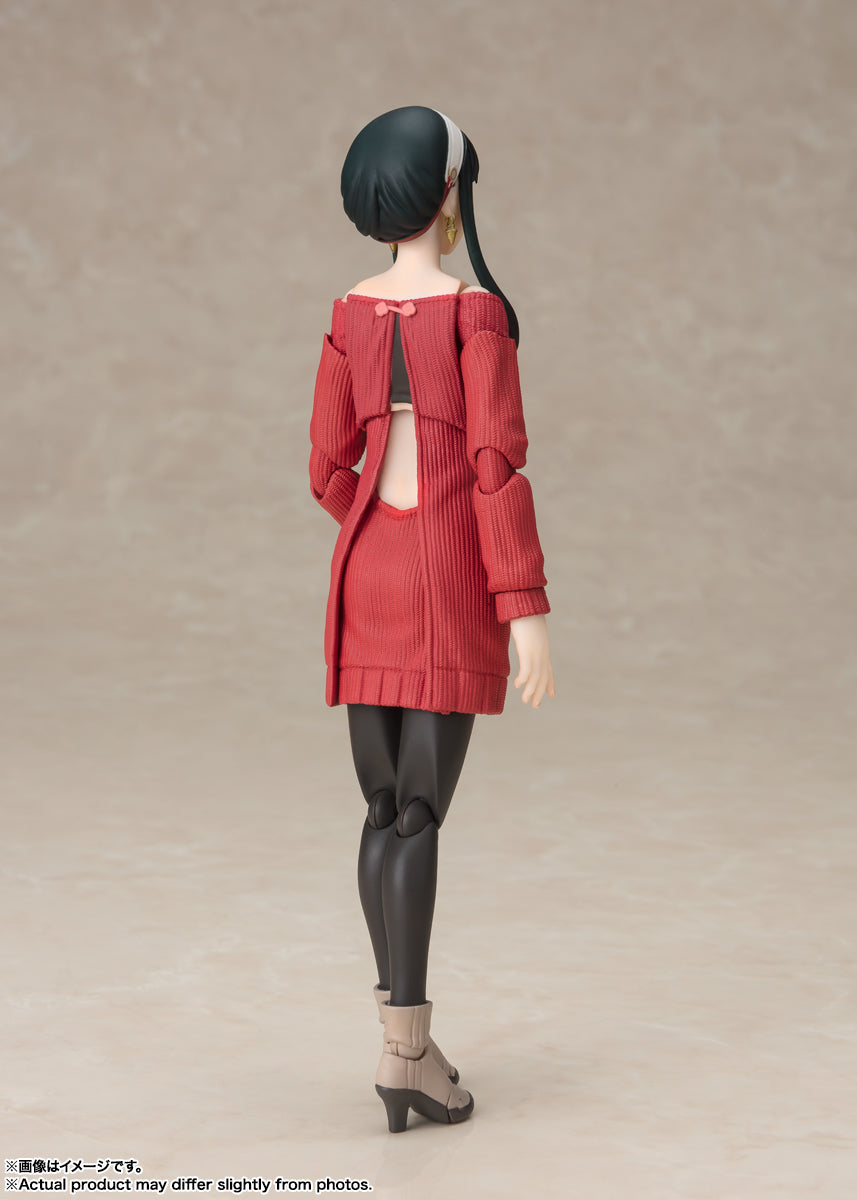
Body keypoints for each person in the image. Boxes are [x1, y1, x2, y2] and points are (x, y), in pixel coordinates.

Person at [309, 106, 555, 1133]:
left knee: (379, 811)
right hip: (446, 576)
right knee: (417, 813)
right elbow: (495, 470)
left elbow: (326, 468)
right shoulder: (475, 315)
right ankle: (406, 1054)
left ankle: (399, 1037)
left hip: (364, 569)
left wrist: (373, 531)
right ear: (449, 194)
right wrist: (523, 607)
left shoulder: (349, 311)